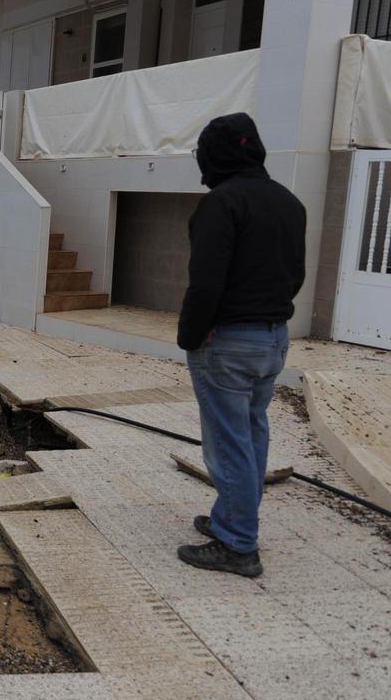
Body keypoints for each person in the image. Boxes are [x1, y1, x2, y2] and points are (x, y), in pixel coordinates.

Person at [176, 112, 306, 578]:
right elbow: (295, 275)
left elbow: (206, 283)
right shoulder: (289, 201)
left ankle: (237, 544)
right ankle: (231, 518)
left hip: (228, 342)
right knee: (250, 433)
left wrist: (191, 335)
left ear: (214, 155)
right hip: (273, 339)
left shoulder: (222, 204)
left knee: (228, 443)